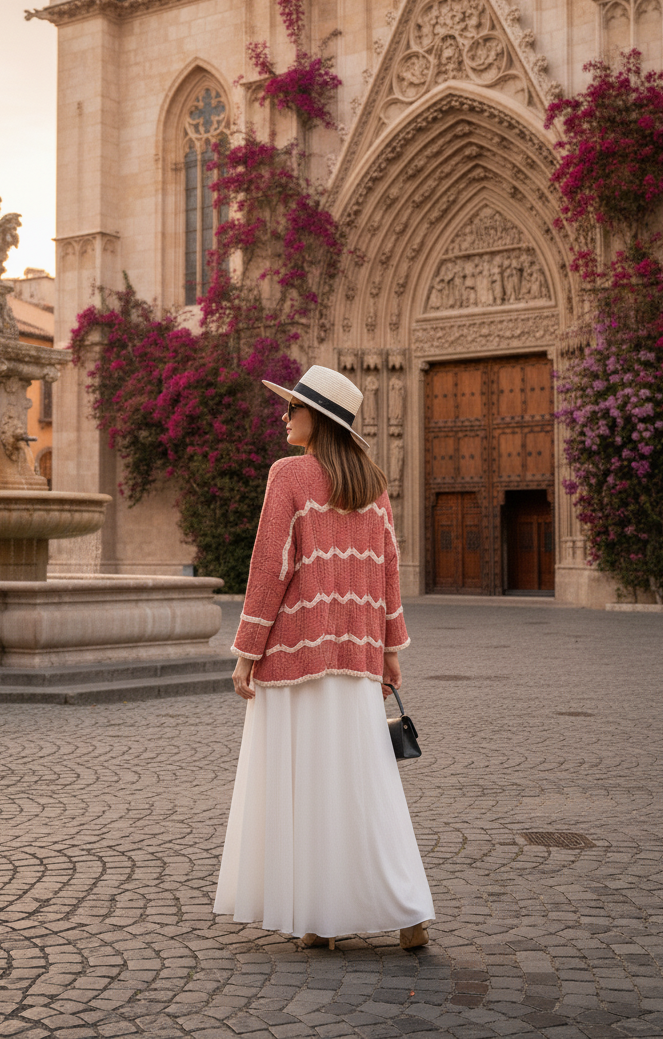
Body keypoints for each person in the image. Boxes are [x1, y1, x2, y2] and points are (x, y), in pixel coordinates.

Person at [213, 365, 434, 950]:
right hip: (358, 662)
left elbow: (269, 570)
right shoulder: (373, 484)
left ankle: (317, 920)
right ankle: (407, 913)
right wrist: (390, 652)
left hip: (293, 661)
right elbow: (390, 577)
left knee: (305, 787)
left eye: (292, 409)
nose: (284, 416)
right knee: (366, 785)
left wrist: (245, 654)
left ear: (318, 419)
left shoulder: (288, 474)